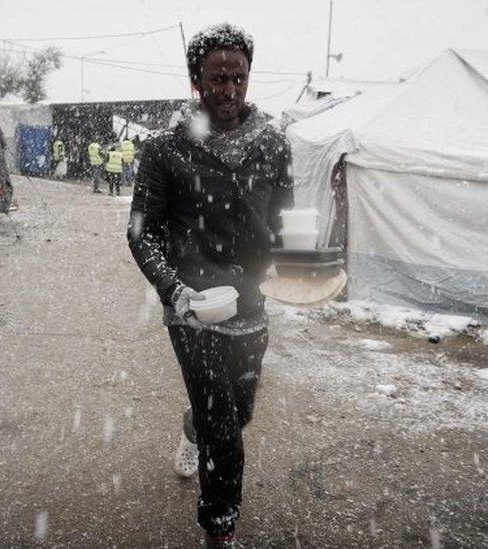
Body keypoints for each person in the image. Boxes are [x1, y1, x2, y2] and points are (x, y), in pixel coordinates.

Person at [127, 23, 293, 548]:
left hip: (250, 304)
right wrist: (177, 292)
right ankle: (219, 528)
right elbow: (141, 234)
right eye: (217, 79)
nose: (228, 91)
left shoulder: (272, 144)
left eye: (237, 78)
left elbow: (286, 221)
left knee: (238, 411)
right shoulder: (164, 149)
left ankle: (192, 426)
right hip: (192, 309)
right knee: (224, 422)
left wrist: (300, 262)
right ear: (196, 81)